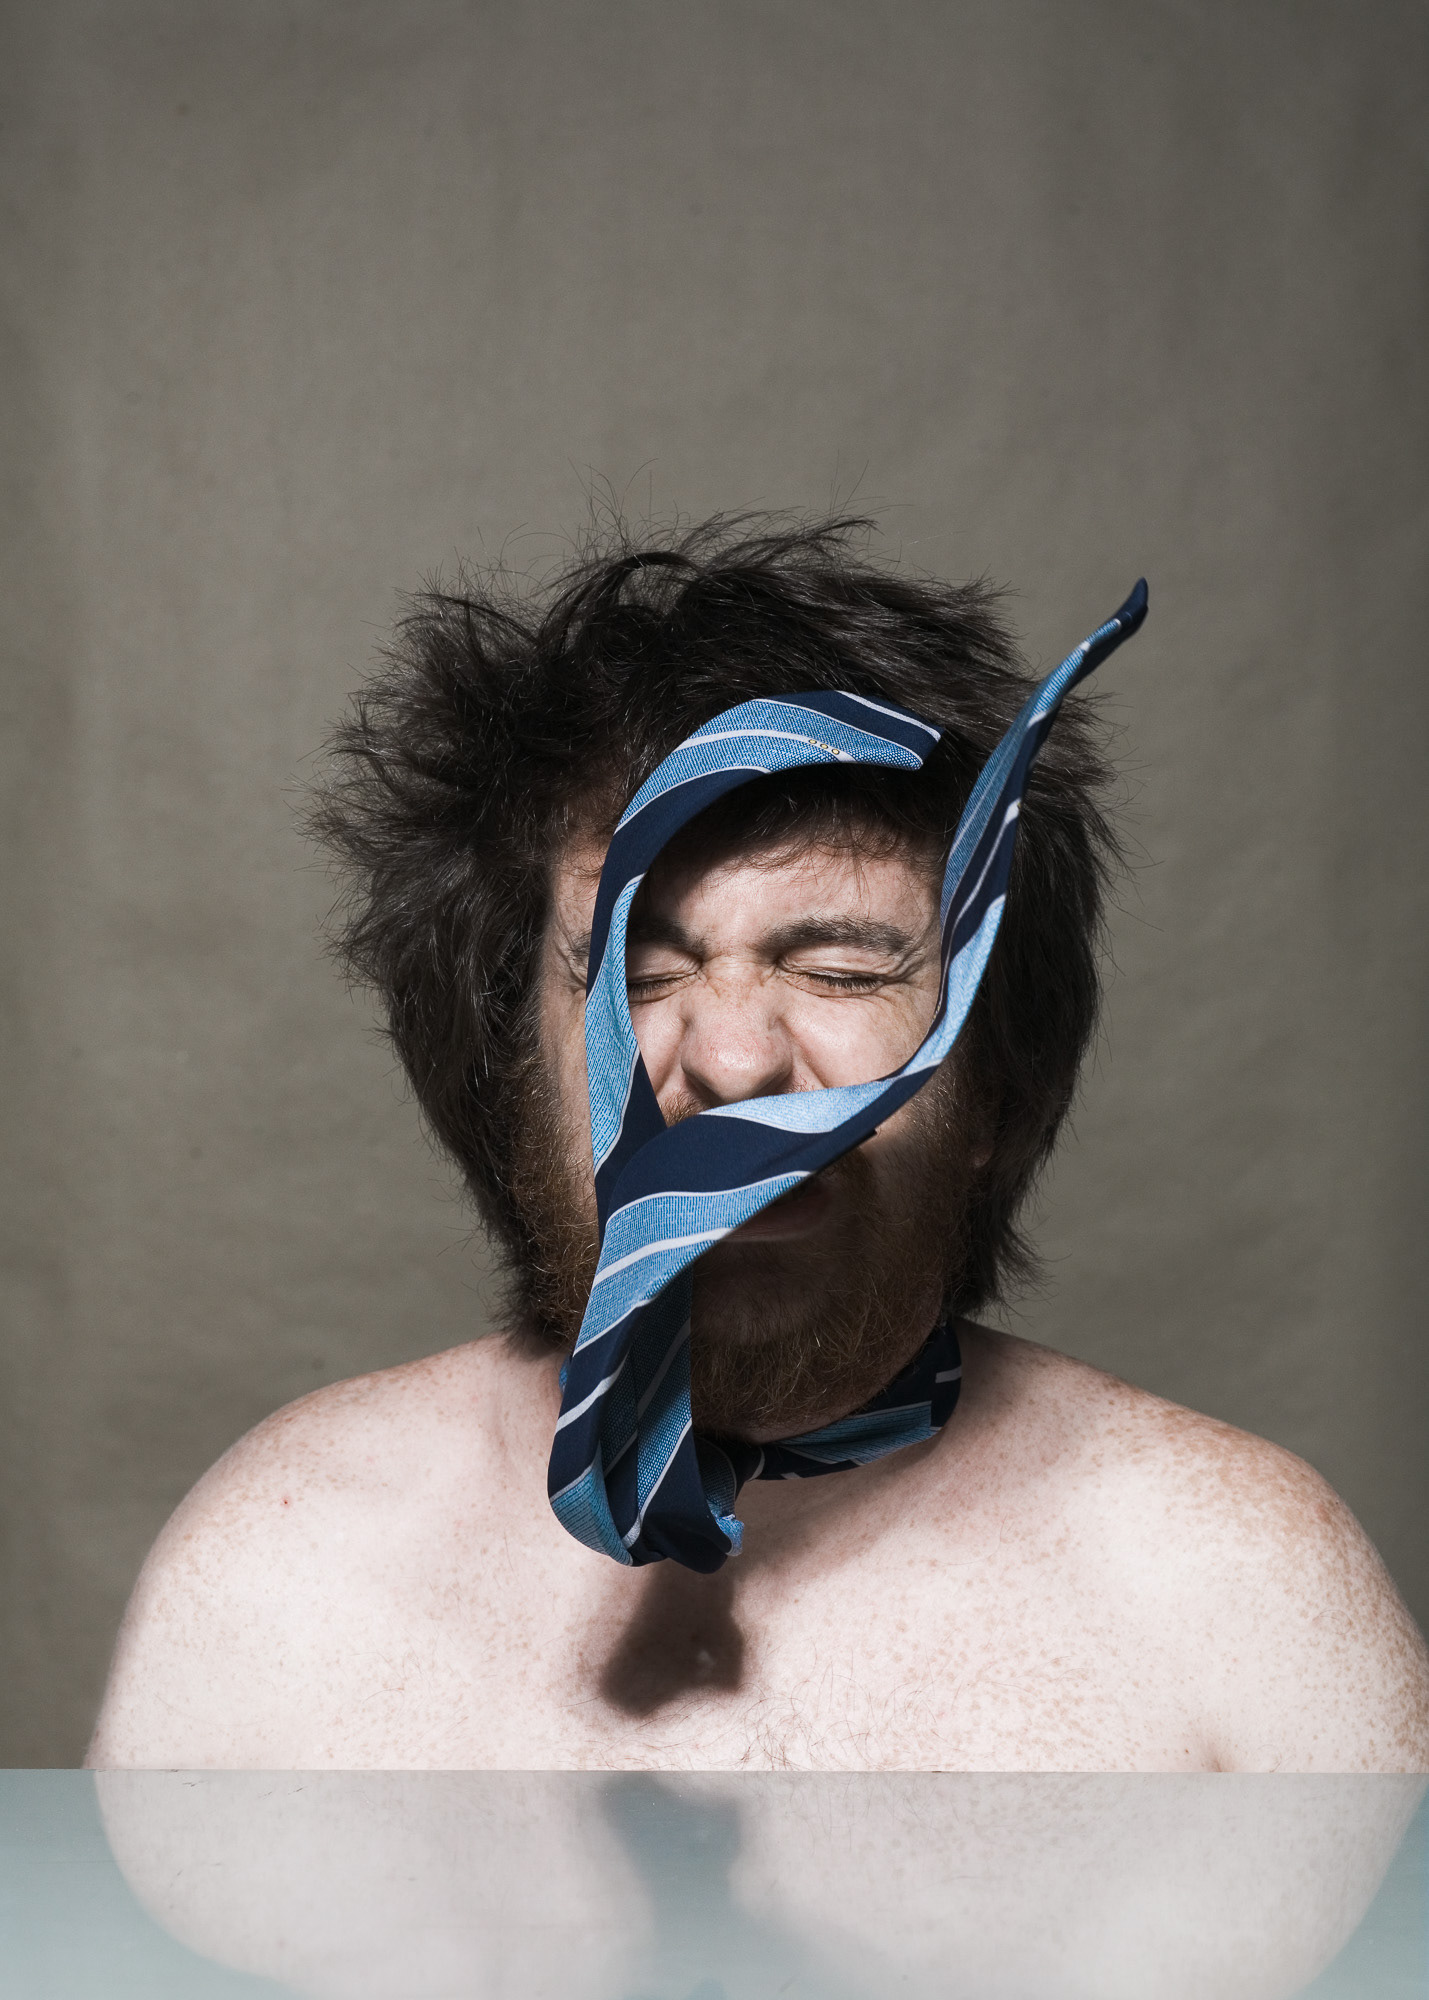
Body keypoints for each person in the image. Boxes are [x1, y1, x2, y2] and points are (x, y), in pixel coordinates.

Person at [88, 516, 1429, 1770]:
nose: (733, 1061)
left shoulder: (1242, 1608)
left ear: (1000, 1092)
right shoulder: (280, 1581)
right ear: (509, 1080)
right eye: (638, 976)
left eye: (840, 970)